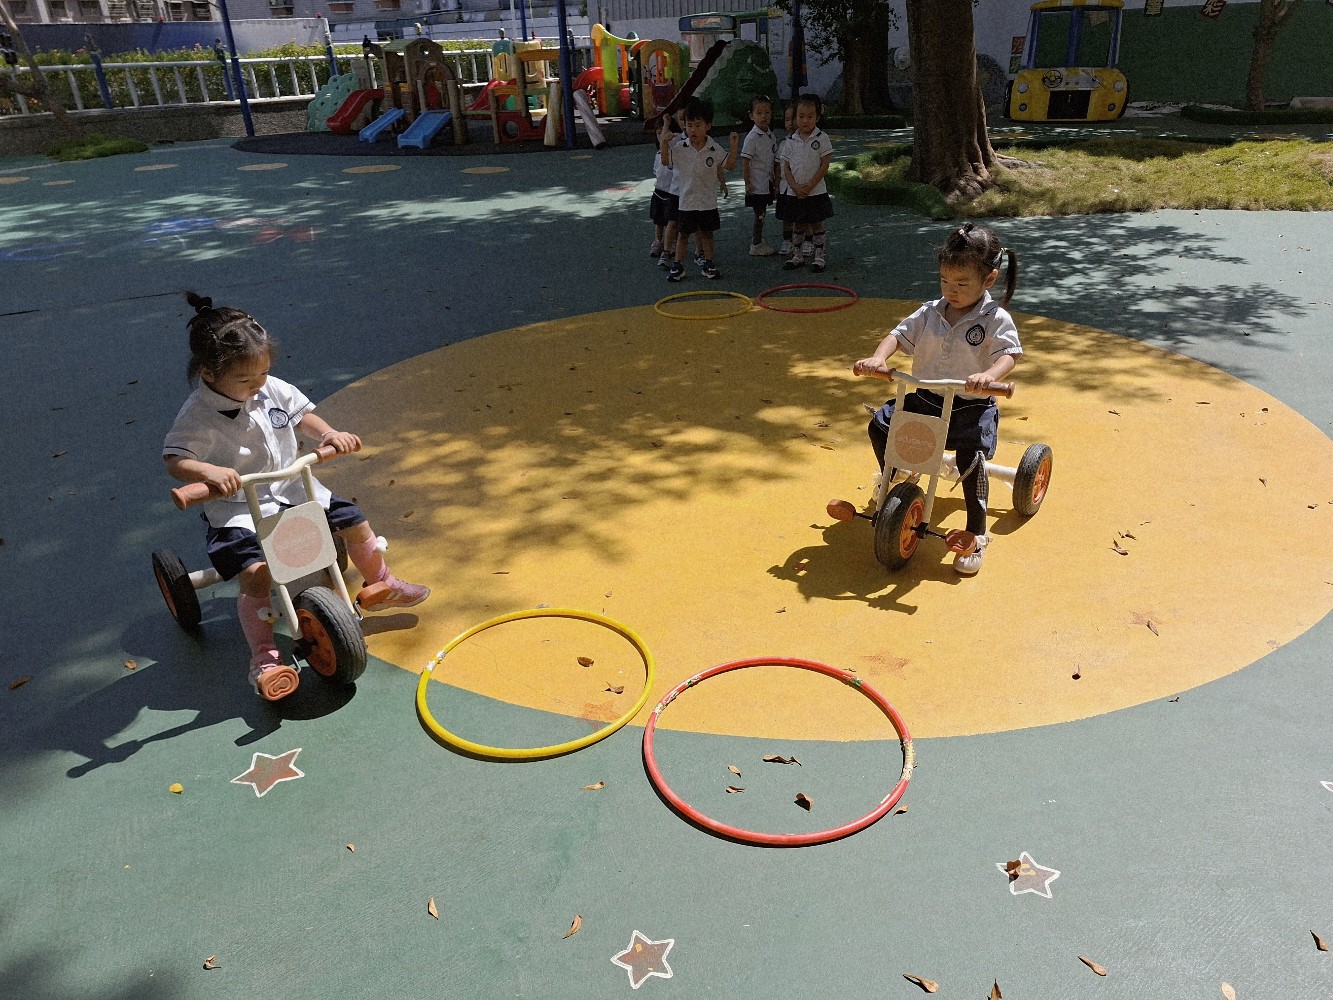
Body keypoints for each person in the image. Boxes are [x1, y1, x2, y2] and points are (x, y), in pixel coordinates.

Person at [162, 292, 431, 701]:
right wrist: (208, 472)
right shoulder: (196, 414)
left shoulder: (269, 388)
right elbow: (175, 459)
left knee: (353, 519)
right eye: (246, 380)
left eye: (263, 374)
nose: (258, 385)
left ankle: (382, 582)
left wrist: (329, 434)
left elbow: (302, 415)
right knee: (257, 573)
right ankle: (265, 657)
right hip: (237, 506)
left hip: (292, 485)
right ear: (209, 373)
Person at [852, 223, 1022, 576]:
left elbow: (1008, 354)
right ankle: (895, 472)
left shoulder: (995, 319)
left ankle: (977, 533)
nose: (951, 290)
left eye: (962, 283)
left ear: (989, 279)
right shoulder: (929, 312)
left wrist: (989, 376)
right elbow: (897, 335)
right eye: (945, 281)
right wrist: (879, 358)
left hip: (970, 406)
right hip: (926, 398)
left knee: (971, 462)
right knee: (880, 426)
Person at [657, 96, 738, 282]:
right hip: (687, 201)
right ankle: (678, 265)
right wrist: (663, 143)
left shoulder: (713, 148)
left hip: (707, 202)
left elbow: (729, 165)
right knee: (683, 235)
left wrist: (734, 146)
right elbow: (665, 160)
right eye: (689, 125)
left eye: (698, 125)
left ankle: (708, 263)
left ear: (708, 126)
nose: (693, 130)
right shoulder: (680, 148)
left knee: (707, 234)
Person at [779, 93, 834, 273]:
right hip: (795, 192)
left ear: (817, 118)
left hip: (816, 192)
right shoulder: (790, 141)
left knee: (816, 224)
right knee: (799, 224)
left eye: (810, 116)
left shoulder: (822, 138)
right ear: (795, 118)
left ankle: (819, 256)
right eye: (801, 116)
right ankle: (797, 255)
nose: (805, 121)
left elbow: (825, 164)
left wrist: (810, 185)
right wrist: (795, 187)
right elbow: (786, 167)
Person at [740, 94, 779, 256]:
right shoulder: (752, 138)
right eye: (759, 113)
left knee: (762, 213)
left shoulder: (770, 135)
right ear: (751, 116)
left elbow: (774, 160)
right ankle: (756, 244)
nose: (764, 116)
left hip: (766, 182)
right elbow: (745, 162)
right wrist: (747, 183)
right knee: (760, 213)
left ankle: (759, 240)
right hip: (757, 184)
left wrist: (775, 181)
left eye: (767, 112)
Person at [775, 100, 797, 256]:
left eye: (793, 119)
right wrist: (776, 186)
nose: (790, 123)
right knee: (786, 216)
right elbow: (778, 166)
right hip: (784, 187)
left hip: (800, 186)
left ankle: (806, 241)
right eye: (787, 119)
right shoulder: (783, 143)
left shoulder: (806, 142)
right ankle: (787, 240)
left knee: (803, 217)